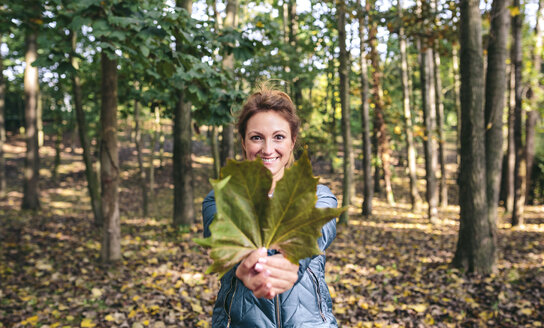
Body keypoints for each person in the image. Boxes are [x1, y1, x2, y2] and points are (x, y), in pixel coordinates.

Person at [202, 84, 338, 327]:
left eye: (278, 137)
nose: (267, 149)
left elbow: (315, 231)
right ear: (244, 142)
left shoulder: (318, 196)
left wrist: (292, 261)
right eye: (256, 137)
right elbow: (226, 235)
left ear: (292, 142)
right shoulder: (220, 198)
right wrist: (250, 262)